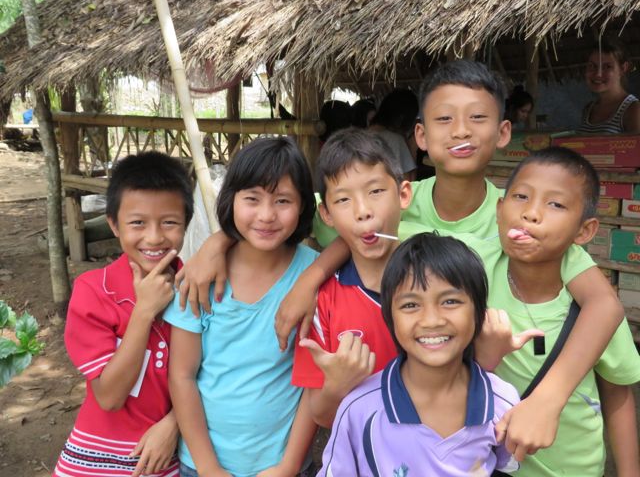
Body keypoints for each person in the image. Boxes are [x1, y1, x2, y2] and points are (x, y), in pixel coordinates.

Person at [177, 60, 624, 458]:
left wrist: (548, 398)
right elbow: (293, 217)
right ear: (420, 135)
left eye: (477, 118)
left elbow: (604, 304)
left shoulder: (523, 218)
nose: (461, 131)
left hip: (493, 426)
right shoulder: (391, 202)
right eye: (444, 119)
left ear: (503, 131)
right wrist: (224, 245)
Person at [165, 137, 318, 477]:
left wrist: (288, 466)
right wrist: (208, 468)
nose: (266, 215)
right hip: (202, 464)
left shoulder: (314, 276)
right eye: (252, 198)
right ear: (231, 199)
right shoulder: (200, 276)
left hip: (283, 465)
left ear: (304, 206)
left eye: (283, 201)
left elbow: (313, 381)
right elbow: (182, 375)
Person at [485, 147, 640, 476]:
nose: (531, 213)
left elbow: (617, 392)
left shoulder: (589, 308)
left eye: (555, 204)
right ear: (499, 209)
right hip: (487, 465)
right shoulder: (474, 269)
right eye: (521, 196)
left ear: (584, 231)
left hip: (572, 469)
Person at [319, 233, 520, 476]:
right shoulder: (360, 409)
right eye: (411, 305)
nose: (431, 320)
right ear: (390, 318)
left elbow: (504, 462)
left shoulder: (503, 402)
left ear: (478, 312)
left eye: (450, 301)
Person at [53, 151, 193, 476]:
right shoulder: (93, 291)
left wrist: (174, 424)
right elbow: (109, 397)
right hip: (93, 458)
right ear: (114, 224)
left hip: (167, 458)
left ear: (186, 223)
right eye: (138, 223)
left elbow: (213, 376)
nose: (154, 237)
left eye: (169, 222)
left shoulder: (196, 289)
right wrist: (144, 312)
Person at [291, 128, 413, 428]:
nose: (363, 211)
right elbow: (320, 415)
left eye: (376, 191)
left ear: (403, 195)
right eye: (343, 199)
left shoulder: (437, 278)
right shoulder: (321, 303)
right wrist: (337, 384)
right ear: (326, 214)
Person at [578, 37, 640, 134]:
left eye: (607, 66)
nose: (598, 74)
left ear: (623, 68)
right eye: (592, 66)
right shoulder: (588, 109)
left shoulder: (633, 109)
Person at [368, 88, 419, 179]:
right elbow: (408, 181)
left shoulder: (360, 136)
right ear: (402, 118)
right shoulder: (395, 140)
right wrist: (413, 148)